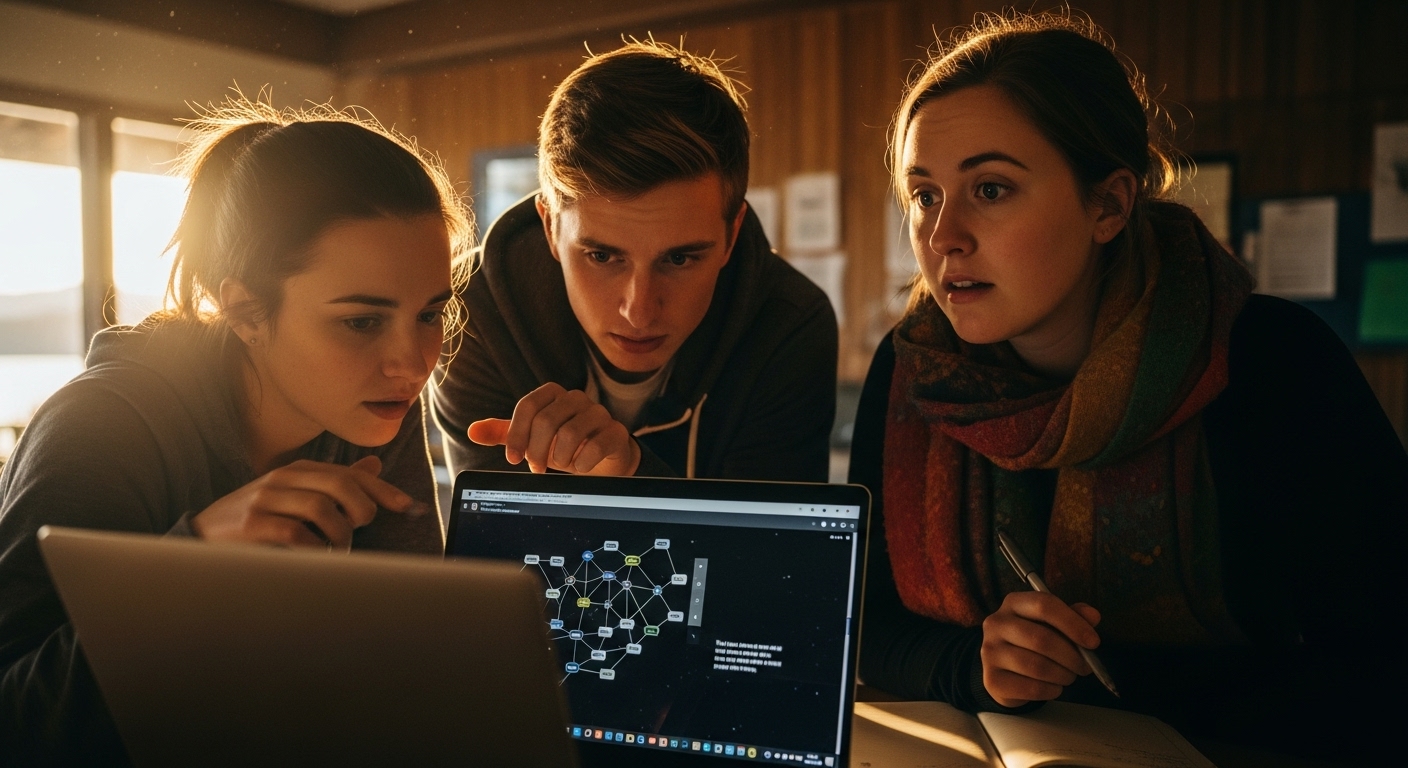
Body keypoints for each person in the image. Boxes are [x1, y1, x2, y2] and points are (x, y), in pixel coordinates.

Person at [851, 11, 1408, 761]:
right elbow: (860, 625)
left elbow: (1381, 665)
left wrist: (1112, 684)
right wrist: (976, 666)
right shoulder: (913, 370)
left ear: (1109, 204)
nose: (943, 235)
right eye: (923, 196)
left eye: (990, 189)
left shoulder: (1270, 361)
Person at [0, 99, 473, 764]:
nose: (414, 362)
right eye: (362, 322)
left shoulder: (374, 403)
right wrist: (190, 569)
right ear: (247, 311)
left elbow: (400, 664)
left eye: (430, 315)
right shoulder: (103, 430)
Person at [432, 40, 837, 482]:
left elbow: (764, 548)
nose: (639, 311)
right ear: (550, 227)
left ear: (731, 235)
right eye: (602, 256)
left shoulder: (790, 323)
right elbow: (499, 543)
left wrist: (629, 471)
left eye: (680, 258)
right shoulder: (471, 313)